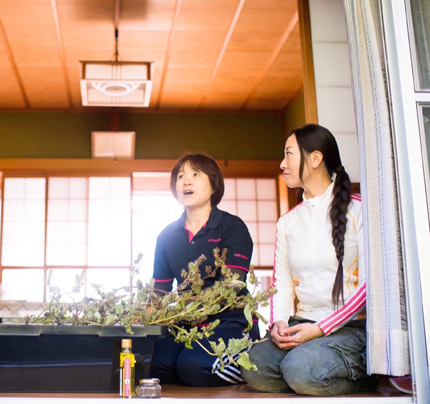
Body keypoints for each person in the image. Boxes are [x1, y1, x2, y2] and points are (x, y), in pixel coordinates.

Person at [241, 124, 379, 395]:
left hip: (349, 327)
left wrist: (319, 329)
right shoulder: (288, 222)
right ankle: (311, 374)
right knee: (252, 366)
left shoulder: (360, 210)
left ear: (315, 159)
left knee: (300, 369)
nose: (282, 163)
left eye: (289, 154)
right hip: (301, 323)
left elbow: (368, 285)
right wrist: (279, 322)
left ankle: (361, 375)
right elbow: (282, 286)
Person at [150, 152, 259, 387]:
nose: (186, 181)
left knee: (193, 366)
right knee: (155, 364)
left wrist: (188, 309)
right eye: (181, 176)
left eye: (195, 174)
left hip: (231, 322)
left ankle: (250, 360)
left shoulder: (232, 227)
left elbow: (229, 290)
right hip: (187, 326)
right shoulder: (166, 236)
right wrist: (147, 313)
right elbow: (159, 292)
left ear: (213, 186)